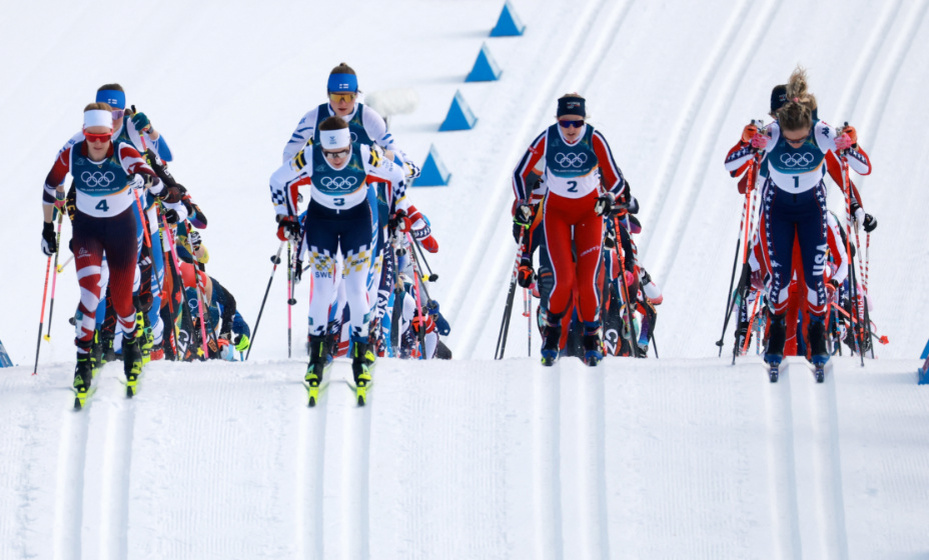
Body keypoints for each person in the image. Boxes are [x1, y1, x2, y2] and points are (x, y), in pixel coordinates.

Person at [724, 67, 871, 368]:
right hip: (773, 211)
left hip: (809, 210)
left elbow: (845, 171)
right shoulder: (771, 135)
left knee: (813, 280)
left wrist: (851, 149)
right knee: (770, 274)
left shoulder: (818, 133)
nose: (791, 139)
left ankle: (819, 337)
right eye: (777, 113)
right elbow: (740, 178)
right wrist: (747, 145)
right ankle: (755, 320)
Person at [41, 102, 180, 396]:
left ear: (110, 135)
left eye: (103, 137)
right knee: (90, 294)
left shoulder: (123, 151)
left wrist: (146, 179)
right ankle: (83, 362)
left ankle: (131, 344)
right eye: (92, 136)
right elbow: (50, 185)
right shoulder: (72, 154)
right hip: (88, 232)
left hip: (121, 232)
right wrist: (47, 228)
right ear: (84, 133)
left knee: (121, 300)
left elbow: (148, 171)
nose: (97, 143)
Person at [269, 116, 407, 392]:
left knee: (356, 290)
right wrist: (286, 217)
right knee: (322, 291)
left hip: (357, 224)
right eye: (330, 154)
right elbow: (277, 179)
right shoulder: (309, 156)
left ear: (349, 145)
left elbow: (398, 175)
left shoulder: (364, 154)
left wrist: (397, 212)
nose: (336, 159)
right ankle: (317, 354)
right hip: (322, 225)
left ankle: (362, 351)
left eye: (342, 152)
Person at [511, 93, 628, 366]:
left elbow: (616, 180)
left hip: (590, 214)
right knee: (563, 281)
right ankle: (552, 335)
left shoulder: (595, 139)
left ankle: (592, 338)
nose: (571, 129)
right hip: (557, 215)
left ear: (583, 120)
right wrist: (522, 204)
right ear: (557, 120)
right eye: (565, 123)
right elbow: (519, 173)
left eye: (576, 123)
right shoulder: (548, 138)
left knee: (587, 282)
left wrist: (609, 199)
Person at [282, 63, 420, 181]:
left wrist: (399, 164)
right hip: (324, 186)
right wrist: (289, 181)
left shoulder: (368, 116)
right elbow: (290, 150)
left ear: (356, 95)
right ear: (328, 94)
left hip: (362, 186)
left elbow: (393, 150)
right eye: (336, 97)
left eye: (349, 97)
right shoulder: (315, 116)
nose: (342, 103)